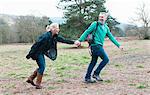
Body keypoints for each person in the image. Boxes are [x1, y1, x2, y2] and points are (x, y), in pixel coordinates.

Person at [75, 12, 123, 83]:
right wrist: (80, 40)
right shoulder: (95, 24)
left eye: (102, 17)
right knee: (106, 59)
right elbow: (87, 32)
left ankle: (87, 78)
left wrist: (118, 45)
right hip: (95, 45)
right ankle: (96, 73)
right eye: (100, 17)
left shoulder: (106, 27)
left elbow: (111, 37)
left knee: (93, 62)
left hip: (99, 46)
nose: (101, 18)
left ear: (106, 18)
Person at [26, 23, 76, 89]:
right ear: (53, 29)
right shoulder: (45, 36)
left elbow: (64, 40)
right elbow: (36, 44)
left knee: (41, 67)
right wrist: (30, 54)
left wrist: (74, 42)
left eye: (58, 28)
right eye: (57, 28)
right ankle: (38, 84)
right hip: (37, 53)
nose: (58, 29)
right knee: (42, 67)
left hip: (41, 52)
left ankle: (31, 78)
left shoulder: (55, 36)